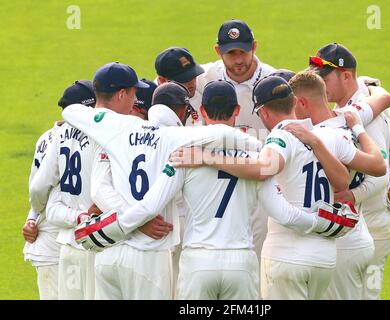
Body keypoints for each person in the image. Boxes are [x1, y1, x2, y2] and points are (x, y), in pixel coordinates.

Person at [74, 80, 357, 300]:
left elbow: (150, 206)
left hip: (198, 261)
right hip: (241, 263)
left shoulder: (185, 154)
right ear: (237, 111)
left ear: (204, 112)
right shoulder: (256, 154)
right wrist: (325, 224)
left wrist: (109, 230)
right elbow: (284, 214)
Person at [172, 76, 386, 299]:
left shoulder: (279, 138)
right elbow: (343, 181)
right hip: (324, 258)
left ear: (263, 112)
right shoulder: (327, 136)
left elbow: (264, 168)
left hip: (287, 254)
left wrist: (208, 157)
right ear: (294, 102)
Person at [61, 79, 263, 299]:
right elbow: (224, 134)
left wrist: (108, 116)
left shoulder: (116, 130)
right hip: (148, 253)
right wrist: (263, 147)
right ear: (181, 112)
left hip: (109, 254)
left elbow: (71, 113)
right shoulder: (177, 139)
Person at [29, 63, 148, 299]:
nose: (135, 101)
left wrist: (37, 214)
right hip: (101, 243)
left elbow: (39, 185)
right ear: (122, 94)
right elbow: (105, 190)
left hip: (69, 246)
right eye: (134, 94)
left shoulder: (64, 129)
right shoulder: (115, 130)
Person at [309, 43, 390, 299]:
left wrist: (350, 196)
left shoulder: (363, 114)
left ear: (346, 75)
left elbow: (380, 174)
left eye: (325, 78)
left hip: (372, 223)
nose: (320, 85)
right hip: (374, 217)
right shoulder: (363, 103)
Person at [288, 69, 390, 299]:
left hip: (342, 243)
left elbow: (377, 169)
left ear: (301, 102)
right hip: (355, 233)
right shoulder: (349, 116)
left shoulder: (323, 137)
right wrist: (359, 125)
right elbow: (384, 98)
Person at [191, 19, 277, 262]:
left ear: (255, 47)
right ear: (218, 51)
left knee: (258, 257)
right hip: (212, 182)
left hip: (261, 183)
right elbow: (162, 88)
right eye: (231, 53)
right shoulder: (201, 79)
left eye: (243, 52)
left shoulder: (275, 81)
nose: (238, 60)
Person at [23, 80, 96, 299]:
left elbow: (37, 188)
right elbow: (39, 187)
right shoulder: (71, 139)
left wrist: (33, 215)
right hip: (54, 239)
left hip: (56, 237)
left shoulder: (46, 137)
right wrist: (34, 216)